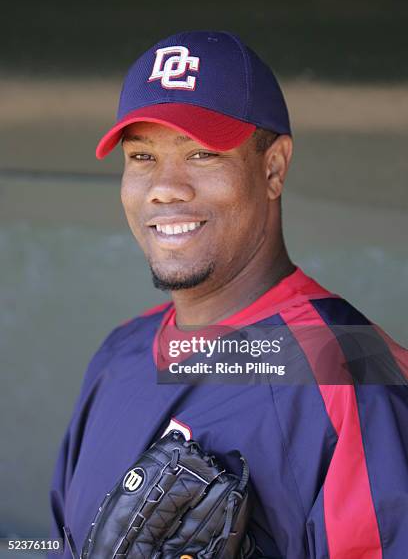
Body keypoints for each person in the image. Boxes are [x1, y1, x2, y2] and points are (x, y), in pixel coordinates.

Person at [48, 31, 408, 558]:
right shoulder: (118, 354)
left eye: (202, 153)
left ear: (273, 168)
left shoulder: (350, 368)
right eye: (142, 156)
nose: (165, 186)